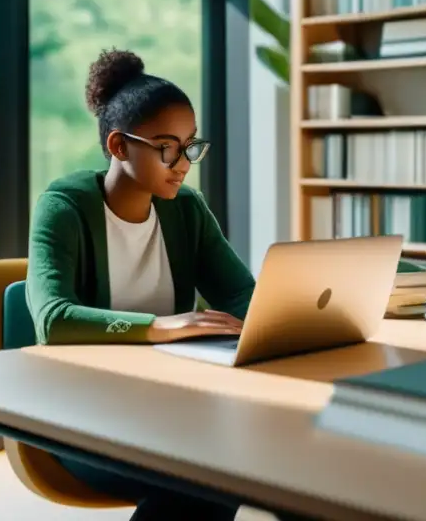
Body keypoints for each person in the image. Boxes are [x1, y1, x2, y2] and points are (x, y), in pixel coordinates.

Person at [26, 48, 257, 520]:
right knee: (205, 479)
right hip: (81, 417)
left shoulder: (185, 209)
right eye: (167, 147)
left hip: (169, 407)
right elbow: (54, 320)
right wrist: (161, 326)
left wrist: (277, 320)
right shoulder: (63, 207)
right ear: (118, 146)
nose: (184, 163)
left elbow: (239, 292)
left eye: (191, 145)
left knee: (255, 461)